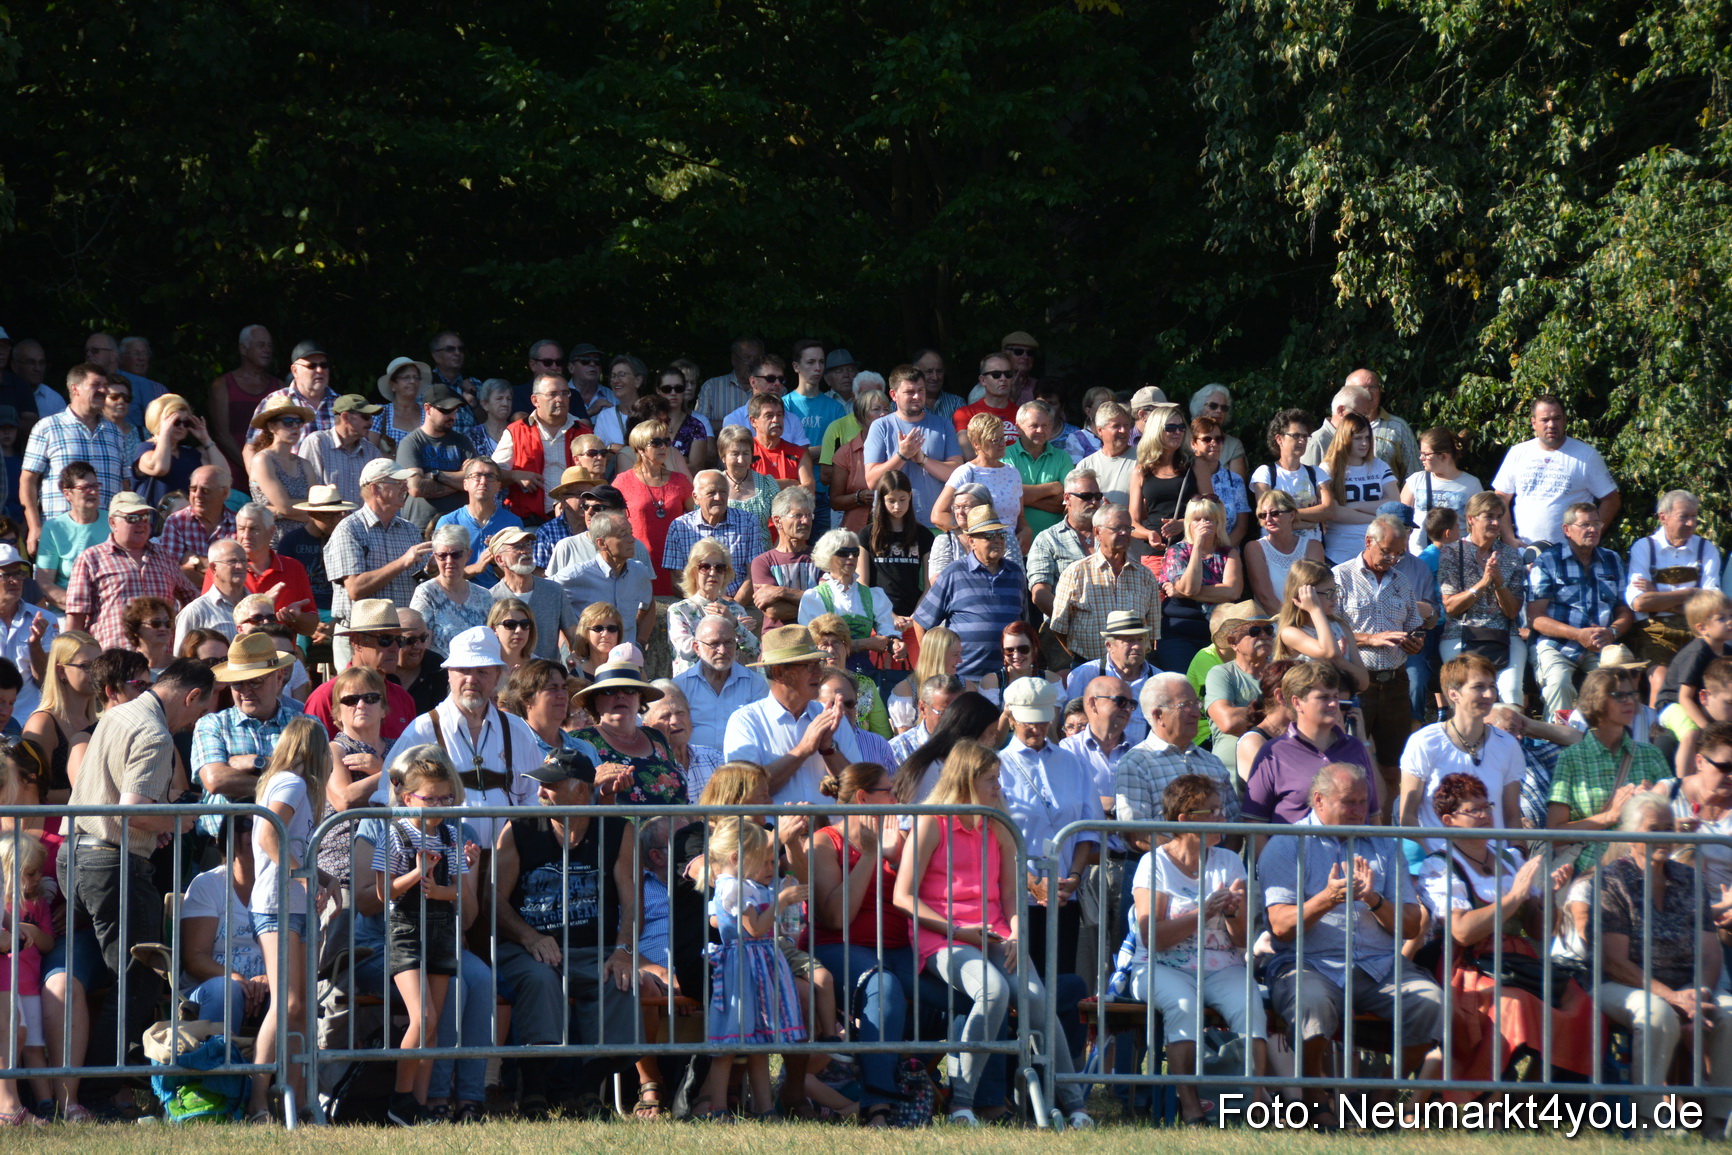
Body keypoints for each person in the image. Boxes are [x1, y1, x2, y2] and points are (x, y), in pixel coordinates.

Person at [892, 740, 1095, 1129]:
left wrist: (1018, 932)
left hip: (996, 934)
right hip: (943, 937)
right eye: (991, 779)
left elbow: (1011, 895)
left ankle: (1073, 1105)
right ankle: (962, 1103)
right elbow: (904, 897)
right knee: (994, 990)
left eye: (998, 778)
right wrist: (955, 929)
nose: (998, 787)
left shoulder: (999, 824)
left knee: (1038, 1000)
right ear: (966, 781)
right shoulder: (931, 821)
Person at [1259, 762, 1443, 1119]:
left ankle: (1383, 1094)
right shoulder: (1285, 845)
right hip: (1307, 962)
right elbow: (1280, 927)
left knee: (1432, 1003)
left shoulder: (1386, 847)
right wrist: (1327, 898)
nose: (1361, 811)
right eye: (1350, 802)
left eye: (1364, 801)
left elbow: (1409, 925)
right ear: (1319, 801)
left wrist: (1373, 900)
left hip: (1379, 965)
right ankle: (1316, 1097)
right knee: (1310, 1002)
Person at [60, 659, 216, 1075]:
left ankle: (84, 1082)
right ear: (192, 695)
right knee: (139, 976)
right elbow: (133, 812)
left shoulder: (117, 714)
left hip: (74, 854)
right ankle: (103, 1084)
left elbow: (119, 803)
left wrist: (155, 827)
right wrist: (179, 821)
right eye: (199, 712)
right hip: (111, 864)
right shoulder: (155, 733)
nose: (192, 723)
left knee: (101, 972)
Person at [1415, 772, 1595, 1089]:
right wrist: (1514, 897)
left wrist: (1549, 898)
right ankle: (1485, 1097)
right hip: (1470, 967)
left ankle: (1531, 1099)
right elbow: (1461, 932)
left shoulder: (1510, 860)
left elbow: (1540, 931)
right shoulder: (1440, 865)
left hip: (1518, 964)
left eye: (1488, 806)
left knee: (1581, 1004)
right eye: (1475, 810)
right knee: (1514, 1005)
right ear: (1449, 820)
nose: (1486, 815)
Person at [489, 746, 638, 1117]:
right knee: (541, 979)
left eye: (550, 786)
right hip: (527, 949)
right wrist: (529, 937)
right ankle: (535, 1091)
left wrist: (623, 951)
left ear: (581, 792)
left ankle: (586, 1090)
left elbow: (632, 903)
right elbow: (493, 898)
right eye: (540, 785)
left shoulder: (618, 831)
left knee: (620, 980)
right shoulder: (519, 829)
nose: (539, 793)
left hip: (595, 947)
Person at [1117, 774, 1265, 1124]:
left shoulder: (1228, 861)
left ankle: (1255, 1103)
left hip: (1222, 964)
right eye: (1212, 812)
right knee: (1182, 1006)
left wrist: (1232, 913)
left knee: (1249, 1004)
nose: (1222, 819)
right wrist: (1206, 912)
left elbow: (1241, 940)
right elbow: (1153, 937)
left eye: (1221, 810)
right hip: (1160, 964)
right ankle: (1191, 1104)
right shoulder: (1154, 864)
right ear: (1184, 819)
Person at [1592, 791, 1732, 1129]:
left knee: (1729, 1016)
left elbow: (1711, 952)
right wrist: (1672, 999)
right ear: (1630, 834)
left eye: (1669, 828)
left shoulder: (1689, 879)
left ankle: (1718, 1125)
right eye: (1654, 828)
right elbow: (1615, 963)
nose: (1665, 836)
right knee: (1657, 1016)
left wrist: (1699, 994)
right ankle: (1647, 1123)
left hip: (1688, 984)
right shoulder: (1612, 880)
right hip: (1622, 984)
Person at [372, 745, 482, 1126]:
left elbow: (457, 894)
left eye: (446, 797)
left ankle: (417, 1106)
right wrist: (419, 874)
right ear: (407, 798)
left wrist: (464, 872)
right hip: (406, 932)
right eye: (430, 798)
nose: (439, 806)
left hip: (441, 931)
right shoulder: (396, 833)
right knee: (423, 1016)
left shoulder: (451, 836)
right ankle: (400, 1098)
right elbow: (384, 892)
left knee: (433, 1024)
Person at [809, 761, 913, 1129]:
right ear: (863, 797)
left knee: (962, 990)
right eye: (890, 792)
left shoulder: (898, 839)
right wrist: (871, 854)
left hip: (900, 950)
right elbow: (837, 919)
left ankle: (973, 1099)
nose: (898, 799)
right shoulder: (824, 841)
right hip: (838, 948)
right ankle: (878, 1104)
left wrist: (897, 854)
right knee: (882, 986)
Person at [379, 625, 545, 846]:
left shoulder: (517, 730)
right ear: (449, 675)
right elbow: (388, 795)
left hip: (507, 864)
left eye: (482, 671)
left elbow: (535, 794)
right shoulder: (421, 730)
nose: (471, 679)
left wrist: (514, 839)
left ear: (497, 677)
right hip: (443, 866)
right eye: (463, 670)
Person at [690, 816, 806, 1121]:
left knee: (758, 1044)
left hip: (758, 967)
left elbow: (719, 920)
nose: (770, 867)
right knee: (729, 1044)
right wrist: (781, 901)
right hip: (742, 970)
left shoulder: (743, 886)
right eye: (763, 859)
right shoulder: (732, 889)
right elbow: (753, 929)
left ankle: (765, 1109)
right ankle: (718, 1109)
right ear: (736, 858)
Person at [242, 716, 328, 1122]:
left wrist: (324, 877)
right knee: (288, 1002)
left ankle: (291, 1098)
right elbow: (268, 837)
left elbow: (291, 844)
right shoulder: (293, 782)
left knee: (301, 1006)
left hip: (294, 903)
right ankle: (259, 1098)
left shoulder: (291, 785)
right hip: (277, 903)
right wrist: (304, 877)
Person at [999, 678, 1104, 992]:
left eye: (1044, 721)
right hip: (1013, 903)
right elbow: (994, 837)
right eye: (1029, 723)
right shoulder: (997, 767)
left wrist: (1073, 877)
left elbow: (1088, 830)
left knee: (1058, 988)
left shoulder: (1074, 764)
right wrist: (1032, 884)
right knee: (1022, 991)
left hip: (1063, 899)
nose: (1037, 729)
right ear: (1012, 718)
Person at [1333, 516, 1426, 809]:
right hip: (1355, 683)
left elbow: (1414, 624)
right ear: (1368, 542)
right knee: (1348, 764)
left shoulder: (1402, 581)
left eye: (1399, 553)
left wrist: (1415, 642)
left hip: (1395, 682)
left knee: (1392, 767)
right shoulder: (1340, 577)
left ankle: (1388, 832)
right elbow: (1330, 630)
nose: (1393, 559)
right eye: (1387, 551)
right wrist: (1371, 639)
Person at [1398, 654, 1526, 852]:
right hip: (1441, 867)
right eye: (1478, 687)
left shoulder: (1508, 744)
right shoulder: (1424, 741)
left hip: (1496, 865)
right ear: (1453, 694)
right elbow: (1408, 816)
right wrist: (1430, 862)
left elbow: (1512, 815)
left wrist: (1517, 856)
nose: (1489, 695)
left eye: (1492, 686)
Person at [1546, 667, 1671, 868]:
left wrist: (1654, 802)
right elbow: (1554, 834)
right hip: (1592, 876)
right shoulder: (1571, 759)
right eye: (1620, 695)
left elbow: (1675, 821)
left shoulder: (1651, 754)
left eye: (1631, 694)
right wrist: (1610, 816)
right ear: (1597, 700)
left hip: (1644, 871)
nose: (1630, 701)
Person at [724, 626, 861, 804]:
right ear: (779, 673)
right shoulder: (745, 722)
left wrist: (828, 749)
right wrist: (803, 750)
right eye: (809, 666)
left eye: (818, 664)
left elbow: (858, 791)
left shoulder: (831, 717)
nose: (819, 673)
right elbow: (744, 795)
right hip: (773, 831)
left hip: (830, 830)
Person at [1527, 501, 1636, 718]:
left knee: (1616, 686)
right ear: (1567, 530)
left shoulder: (1612, 560)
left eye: (1596, 523)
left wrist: (1612, 632)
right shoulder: (1548, 561)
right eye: (1585, 525)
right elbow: (1535, 617)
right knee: (1559, 683)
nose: (1593, 529)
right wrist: (1577, 634)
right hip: (1557, 644)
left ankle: (1608, 743)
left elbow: (1625, 609)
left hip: (1602, 644)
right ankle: (1560, 746)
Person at [1242, 661, 1380, 824]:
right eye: (1323, 697)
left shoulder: (1355, 748)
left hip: (1353, 849)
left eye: (1335, 696)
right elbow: (1255, 823)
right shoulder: (1273, 752)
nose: (1333, 704)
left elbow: (1373, 815)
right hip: (1293, 848)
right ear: (1297, 702)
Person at [325, 459, 429, 666]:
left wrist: (430, 570)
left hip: (400, 639)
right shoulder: (349, 529)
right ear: (375, 489)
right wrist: (403, 562)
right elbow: (355, 588)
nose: (405, 487)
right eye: (397, 482)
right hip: (362, 639)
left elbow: (419, 581)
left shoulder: (409, 529)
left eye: (405, 482)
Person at [64, 492, 197, 651]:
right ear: (113, 522)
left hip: (162, 663)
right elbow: (75, 620)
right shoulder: (90, 559)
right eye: (132, 518)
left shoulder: (164, 556)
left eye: (145, 517)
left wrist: (178, 635)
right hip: (113, 663)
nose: (141, 523)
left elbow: (192, 600)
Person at [911, 505, 1026, 683]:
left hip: (1006, 681)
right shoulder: (954, 573)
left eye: (1000, 534)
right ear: (971, 541)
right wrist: (933, 666)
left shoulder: (1016, 574)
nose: (997, 540)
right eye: (989, 535)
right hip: (963, 682)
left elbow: (1023, 623)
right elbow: (921, 622)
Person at [1491, 394, 1620, 550]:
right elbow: (1501, 498)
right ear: (1534, 423)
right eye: (1545, 420)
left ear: (1565, 420)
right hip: (1524, 552)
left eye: (1556, 418)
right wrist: (1508, 538)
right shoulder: (1518, 453)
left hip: (1570, 554)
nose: (1551, 425)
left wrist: (1591, 536)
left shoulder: (1586, 456)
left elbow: (1611, 500)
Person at [1627, 489, 1723, 698]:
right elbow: (1639, 603)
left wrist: (1658, 596)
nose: (1691, 523)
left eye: (1694, 517)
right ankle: (1655, 731)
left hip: (1696, 632)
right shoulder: (1644, 547)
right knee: (1661, 683)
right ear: (1664, 517)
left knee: (1709, 685)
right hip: (1655, 633)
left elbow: (1713, 606)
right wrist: (1691, 593)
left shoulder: (1707, 549)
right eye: (1684, 517)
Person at [1115, 673, 1238, 836]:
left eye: (1196, 703)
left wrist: (1218, 858)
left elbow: (1234, 826)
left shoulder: (1212, 762)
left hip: (1216, 859)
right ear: (1158, 715)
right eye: (1186, 705)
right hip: (1158, 860)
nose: (1197, 713)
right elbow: (1136, 833)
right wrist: (1184, 855)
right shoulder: (1136, 763)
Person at [1438, 492, 1528, 704]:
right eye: (1489, 516)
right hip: (1460, 633)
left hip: (1503, 634)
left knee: (1512, 692)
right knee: (1467, 694)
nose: (1496, 522)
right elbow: (1450, 607)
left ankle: (1510, 734)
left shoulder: (1511, 555)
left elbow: (1512, 611)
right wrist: (1482, 583)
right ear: (1471, 519)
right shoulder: (1453, 552)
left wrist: (1498, 583)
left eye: (1499, 516)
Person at [1049, 501, 1161, 668]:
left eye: (1128, 528)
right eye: (1116, 528)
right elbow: (1059, 626)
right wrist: (1081, 658)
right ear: (1097, 532)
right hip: (1088, 666)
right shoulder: (1076, 573)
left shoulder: (1145, 576)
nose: (1124, 532)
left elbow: (1152, 632)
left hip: (1133, 670)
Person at [570, 658, 686, 807]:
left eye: (630, 689)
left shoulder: (656, 737)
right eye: (609, 691)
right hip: (619, 830)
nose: (620, 695)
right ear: (595, 702)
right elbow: (568, 800)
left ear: (640, 699)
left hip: (676, 827)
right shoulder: (578, 741)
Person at [303, 599, 419, 741]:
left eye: (400, 640)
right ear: (357, 642)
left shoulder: (403, 698)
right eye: (386, 639)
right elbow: (312, 758)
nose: (395, 648)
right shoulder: (325, 697)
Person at [863, 364, 961, 531]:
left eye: (921, 390)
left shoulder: (943, 425)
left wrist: (922, 459)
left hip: (936, 524)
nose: (917, 396)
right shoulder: (881, 426)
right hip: (891, 526)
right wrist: (902, 455)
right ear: (893, 395)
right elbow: (872, 481)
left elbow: (957, 475)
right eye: (909, 392)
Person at [1156, 496, 1243, 673]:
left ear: (1218, 523)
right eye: (1197, 519)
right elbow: (1190, 587)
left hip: (1218, 633)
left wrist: (1180, 592)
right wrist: (1197, 546)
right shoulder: (1177, 551)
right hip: (1179, 633)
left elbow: (1232, 592)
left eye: (1208, 519)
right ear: (1189, 523)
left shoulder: (1228, 553)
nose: (1202, 524)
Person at [208, 502, 320, 638]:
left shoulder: (293, 568)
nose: (246, 536)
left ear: (271, 531)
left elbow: (310, 628)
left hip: (281, 655)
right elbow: (211, 615)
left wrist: (296, 617)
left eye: (254, 529)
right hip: (236, 652)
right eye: (242, 529)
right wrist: (262, 603)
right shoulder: (221, 568)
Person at [492, 375, 592, 522]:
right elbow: (492, 475)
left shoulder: (583, 431)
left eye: (565, 393)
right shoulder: (516, 431)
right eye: (552, 394)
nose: (560, 399)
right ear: (535, 400)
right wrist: (515, 475)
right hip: (531, 524)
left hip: (577, 521)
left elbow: (596, 477)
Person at [614, 418, 695, 599]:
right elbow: (611, 523)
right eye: (656, 443)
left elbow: (697, 518)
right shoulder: (622, 481)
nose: (663, 447)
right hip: (637, 562)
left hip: (675, 564)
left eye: (666, 441)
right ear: (640, 449)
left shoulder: (680, 480)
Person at [797, 528, 899, 670]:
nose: (851, 557)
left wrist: (894, 642)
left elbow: (886, 627)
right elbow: (814, 644)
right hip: (827, 672)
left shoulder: (872, 595)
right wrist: (864, 644)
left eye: (855, 552)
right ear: (828, 556)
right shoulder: (814, 597)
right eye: (843, 553)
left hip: (865, 672)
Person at [552, 511, 655, 647]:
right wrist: (567, 645)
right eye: (623, 534)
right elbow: (543, 594)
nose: (632, 539)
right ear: (602, 543)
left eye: (631, 532)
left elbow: (648, 605)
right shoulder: (576, 575)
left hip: (626, 662)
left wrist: (640, 643)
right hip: (589, 661)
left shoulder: (639, 572)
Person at [661, 470, 767, 596]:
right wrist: (702, 605)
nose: (718, 497)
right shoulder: (679, 527)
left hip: (740, 603)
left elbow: (753, 574)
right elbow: (678, 579)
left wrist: (734, 606)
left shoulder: (748, 522)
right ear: (696, 498)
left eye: (723, 492)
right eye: (711, 493)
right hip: (695, 605)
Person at [934, 411, 1030, 550]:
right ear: (977, 444)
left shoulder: (1012, 473)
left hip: (1009, 551)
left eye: (1003, 438)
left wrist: (1026, 530)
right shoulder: (966, 472)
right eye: (994, 440)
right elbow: (938, 515)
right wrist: (963, 534)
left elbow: (1019, 516)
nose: (1002, 444)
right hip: (978, 551)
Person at [674, 614, 770, 751]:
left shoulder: (755, 685)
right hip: (695, 768)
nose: (723, 651)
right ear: (697, 648)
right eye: (714, 644)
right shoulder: (680, 687)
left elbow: (764, 733)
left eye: (729, 643)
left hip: (743, 766)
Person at [1272, 557, 1370, 691]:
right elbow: (1329, 652)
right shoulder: (1290, 632)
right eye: (1328, 592)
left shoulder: (1340, 626)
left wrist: (1340, 661)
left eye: (1335, 590)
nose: (1335, 597)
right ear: (1304, 595)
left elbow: (1363, 682)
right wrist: (1315, 609)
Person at [487, 525, 579, 662]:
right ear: (500, 559)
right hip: (509, 678)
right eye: (517, 547)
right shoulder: (491, 598)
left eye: (528, 545)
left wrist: (574, 656)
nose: (526, 551)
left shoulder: (554, 591)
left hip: (548, 678)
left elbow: (574, 636)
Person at [668, 539, 761, 674]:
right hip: (692, 686)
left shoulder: (734, 610)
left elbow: (755, 651)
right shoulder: (679, 610)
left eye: (719, 568)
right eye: (705, 567)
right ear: (694, 572)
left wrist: (735, 624)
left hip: (731, 685)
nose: (713, 573)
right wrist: (732, 631)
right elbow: (688, 652)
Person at [1201, 603, 1273, 772]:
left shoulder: (1282, 673)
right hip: (1230, 778)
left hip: (1276, 773)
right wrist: (1279, 713)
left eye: (1268, 630)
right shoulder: (1221, 674)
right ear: (1233, 642)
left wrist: (1244, 712)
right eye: (1255, 631)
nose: (1263, 635)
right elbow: (1228, 722)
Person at [1652, 589, 1732, 741]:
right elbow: (1684, 697)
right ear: (1702, 628)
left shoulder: (1727, 651)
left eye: (1731, 616)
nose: (1730, 622)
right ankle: (1684, 765)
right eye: (1721, 618)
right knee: (1691, 733)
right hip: (1673, 705)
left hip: (1700, 702)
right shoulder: (1697, 653)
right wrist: (1707, 729)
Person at [1319, 410, 1397, 566]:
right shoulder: (1328, 468)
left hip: (1376, 554)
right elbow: (1333, 512)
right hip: (1339, 553)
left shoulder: (1379, 466)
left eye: (1367, 438)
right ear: (1345, 438)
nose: (1364, 443)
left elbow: (1394, 504)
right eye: (1358, 438)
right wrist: (1377, 518)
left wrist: (1354, 506)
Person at [432, 458, 521, 588]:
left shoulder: (512, 523)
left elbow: (517, 577)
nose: (483, 481)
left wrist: (495, 562)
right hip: (458, 596)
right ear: (465, 484)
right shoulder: (449, 522)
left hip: (500, 599)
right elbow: (438, 574)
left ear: (498, 486)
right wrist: (477, 568)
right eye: (477, 476)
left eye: (490, 476)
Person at [1250, 408, 1331, 547]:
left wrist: (1287, 515)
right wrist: (1310, 521)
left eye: (1305, 436)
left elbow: (1329, 510)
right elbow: (1266, 516)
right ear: (1279, 439)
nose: (1302, 440)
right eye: (1296, 435)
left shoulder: (1317, 473)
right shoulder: (1265, 473)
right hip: (1275, 548)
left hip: (1311, 548)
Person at [208, 325, 281, 479]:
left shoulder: (279, 387)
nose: (267, 350)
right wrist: (251, 465)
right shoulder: (223, 385)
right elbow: (222, 434)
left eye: (269, 346)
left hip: (274, 473)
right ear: (243, 348)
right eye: (261, 345)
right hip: (233, 475)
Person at [32, 462, 108, 611]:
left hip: (109, 606)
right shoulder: (53, 527)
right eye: (85, 488)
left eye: (95, 486)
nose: (93, 492)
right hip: (66, 608)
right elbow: (44, 583)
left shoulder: (113, 521)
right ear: (68, 494)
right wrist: (80, 605)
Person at [408, 525, 493, 654]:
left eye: (456, 554)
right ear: (435, 557)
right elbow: (421, 647)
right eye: (442, 555)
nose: (449, 561)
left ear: (468, 554)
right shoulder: (426, 593)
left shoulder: (484, 596)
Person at [1397, 427, 1481, 553]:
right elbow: (1400, 521)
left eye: (1426, 454)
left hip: (1458, 558)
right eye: (1421, 453)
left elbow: (1478, 525)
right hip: (1419, 558)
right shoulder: (1415, 480)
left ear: (1443, 456)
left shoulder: (1471, 484)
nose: (1421, 458)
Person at [1128, 402, 1197, 557]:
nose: (1178, 432)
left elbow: (1212, 510)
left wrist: (1183, 524)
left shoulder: (1195, 464)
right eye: (1171, 428)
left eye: (1181, 427)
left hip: (1191, 549)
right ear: (1156, 430)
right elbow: (1132, 523)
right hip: (1155, 553)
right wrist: (1148, 535)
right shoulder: (1140, 471)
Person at [245, 394, 315, 544]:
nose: (295, 426)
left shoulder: (305, 464)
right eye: (288, 421)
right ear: (271, 427)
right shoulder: (262, 460)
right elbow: (285, 506)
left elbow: (318, 509)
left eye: (299, 421)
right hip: (273, 543)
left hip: (305, 543)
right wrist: (284, 511)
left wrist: (277, 512)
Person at [1244, 489, 1325, 617]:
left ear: (1292, 515)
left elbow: (1319, 591)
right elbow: (1265, 598)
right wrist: (1292, 625)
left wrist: (1307, 623)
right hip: (1273, 622)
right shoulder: (1255, 548)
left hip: (1309, 619)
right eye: (1263, 515)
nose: (1268, 519)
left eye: (1274, 513)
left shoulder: (1313, 546)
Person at [133, 394, 223, 507]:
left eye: (186, 423)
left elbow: (221, 474)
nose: (181, 427)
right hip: (155, 520)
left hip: (185, 520)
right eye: (175, 422)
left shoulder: (189, 454)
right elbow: (160, 468)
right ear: (159, 421)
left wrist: (206, 439)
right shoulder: (146, 448)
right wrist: (164, 432)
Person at [749, 486, 820, 630]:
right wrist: (816, 605)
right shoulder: (763, 562)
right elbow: (774, 611)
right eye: (798, 515)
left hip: (816, 644)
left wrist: (781, 592)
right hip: (778, 645)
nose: (806, 521)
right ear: (777, 521)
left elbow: (830, 600)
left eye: (809, 515)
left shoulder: (821, 558)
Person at [819, 390, 890, 534]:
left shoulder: (900, 447)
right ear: (860, 418)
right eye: (876, 409)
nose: (883, 414)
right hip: (856, 530)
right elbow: (835, 501)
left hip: (893, 527)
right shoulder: (846, 453)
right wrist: (859, 497)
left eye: (886, 409)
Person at [642, 679, 724, 799]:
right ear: (647, 726)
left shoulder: (715, 759)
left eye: (680, 712)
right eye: (665, 716)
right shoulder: (646, 770)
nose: (675, 721)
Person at [158, 464, 238, 577]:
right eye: (193, 489)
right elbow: (170, 574)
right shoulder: (176, 522)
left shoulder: (239, 524)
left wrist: (197, 562)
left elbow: (243, 573)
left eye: (205, 490)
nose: (198, 495)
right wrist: (224, 571)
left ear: (224, 493)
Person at [1006, 400, 1071, 538]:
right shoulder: (1005, 455)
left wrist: (1022, 497)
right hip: (1015, 542)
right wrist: (1053, 488)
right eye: (1034, 426)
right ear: (1018, 428)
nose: (1040, 430)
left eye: (1045, 425)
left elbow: (1067, 503)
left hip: (1055, 543)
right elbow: (1006, 497)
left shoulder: (1062, 457)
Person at [0, 546, 51, 718]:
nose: (15, 581)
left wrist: (35, 645)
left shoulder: (45, 620)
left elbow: (46, 682)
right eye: (7, 575)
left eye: (18, 574)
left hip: (29, 720)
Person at [716, 424, 779, 532]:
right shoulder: (713, 485)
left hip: (761, 548)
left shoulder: (767, 484)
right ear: (723, 456)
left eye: (746, 453)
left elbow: (784, 524)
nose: (741, 460)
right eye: (735, 454)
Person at [1077, 400, 1135, 510]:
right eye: (1116, 426)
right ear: (1100, 430)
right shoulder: (1085, 466)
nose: (1123, 430)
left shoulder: (1143, 460)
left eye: (1126, 425)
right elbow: (1070, 507)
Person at [395, 608, 448, 716]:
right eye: (410, 640)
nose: (418, 646)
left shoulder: (438, 667)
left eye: (423, 638)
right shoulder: (380, 671)